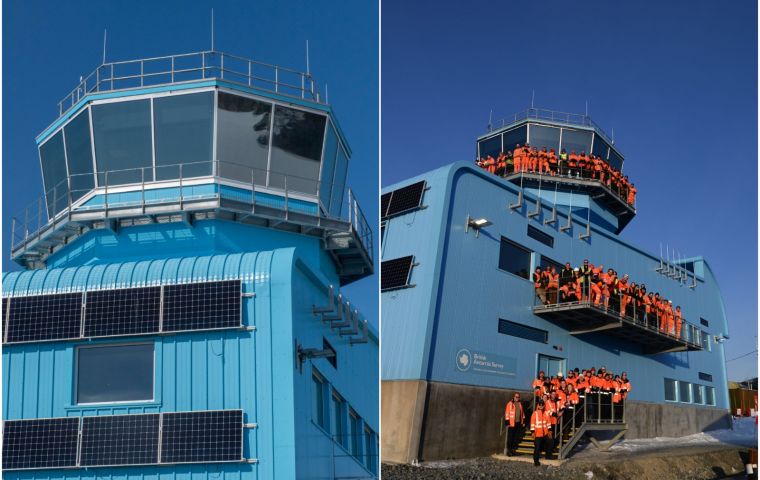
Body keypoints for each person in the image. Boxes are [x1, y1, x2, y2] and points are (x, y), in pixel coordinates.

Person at [530, 401, 553, 466]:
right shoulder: (535, 413)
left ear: (544, 406)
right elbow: (532, 423)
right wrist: (532, 432)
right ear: (538, 405)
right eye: (540, 405)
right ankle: (536, 461)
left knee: (550, 442)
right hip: (538, 434)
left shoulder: (546, 413)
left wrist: (550, 431)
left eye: (542, 405)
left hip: (545, 433)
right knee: (537, 447)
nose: (541, 406)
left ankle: (548, 456)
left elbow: (548, 423)